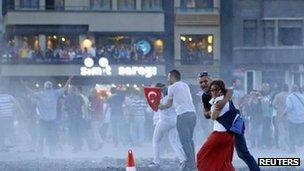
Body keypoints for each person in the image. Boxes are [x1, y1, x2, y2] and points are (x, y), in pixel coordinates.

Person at [198, 72, 260, 171]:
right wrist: (211, 111)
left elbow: (230, 91)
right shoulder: (205, 96)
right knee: (222, 156)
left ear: (211, 80)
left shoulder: (220, 89)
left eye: (205, 81)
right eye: (201, 82)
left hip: (233, 126)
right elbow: (206, 114)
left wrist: (223, 101)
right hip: (222, 129)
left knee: (242, 153)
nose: (203, 84)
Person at [21, 76, 73, 155]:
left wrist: (24, 86)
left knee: (42, 136)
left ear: (45, 87)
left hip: (43, 120)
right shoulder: (55, 93)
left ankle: (41, 152)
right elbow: (64, 88)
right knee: (51, 136)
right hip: (51, 120)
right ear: (51, 87)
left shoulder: (41, 94)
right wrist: (69, 79)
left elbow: (31, 92)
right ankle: (51, 152)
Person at [159, 70, 196, 171]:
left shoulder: (172, 87)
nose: (167, 79)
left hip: (182, 115)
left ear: (172, 77)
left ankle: (191, 165)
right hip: (193, 114)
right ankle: (193, 163)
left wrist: (161, 106)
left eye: (168, 77)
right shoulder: (185, 85)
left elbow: (169, 104)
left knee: (185, 141)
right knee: (190, 140)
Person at [197, 79, 234, 171]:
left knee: (201, 155)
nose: (213, 92)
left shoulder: (218, 101)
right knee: (224, 160)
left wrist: (209, 111)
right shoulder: (226, 100)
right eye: (212, 90)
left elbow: (213, 117)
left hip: (219, 134)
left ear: (220, 90)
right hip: (229, 134)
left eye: (215, 90)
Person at [149, 83, 186, 169]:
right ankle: (183, 160)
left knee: (156, 140)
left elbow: (154, 108)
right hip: (175, 121)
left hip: (164, 121)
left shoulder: (160, 99)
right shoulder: (172, 98)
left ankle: (156, 162)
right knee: (174, 142)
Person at [0, 87, 23, 152]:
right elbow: (17, 104)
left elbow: (16, 104)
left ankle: (3, 145)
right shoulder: (10, 97)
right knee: (10, 130)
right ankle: (10, 145)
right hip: (9, 116)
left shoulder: (9, 97)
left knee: (2, 131)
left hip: (2, 117)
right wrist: (19, 111)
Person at [283, 84, 304, 153]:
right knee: (301, 134)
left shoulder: (289, 97)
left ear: (291, 89)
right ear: (298, 89)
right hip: (302, 119)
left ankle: (292, 150)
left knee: (291, 135)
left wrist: (284, 113)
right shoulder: (302, 96)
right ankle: (301, 148)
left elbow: (289, 107)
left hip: (292, 119)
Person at [64, 86, 85, 152]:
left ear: (70, 91)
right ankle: (80, 146)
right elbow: (83, 106)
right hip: (79, 117)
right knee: (79, 132)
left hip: (71, 118)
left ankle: (75, 147)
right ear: (75, 90)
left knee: (73, 132)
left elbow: (65, 108)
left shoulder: (67, 98)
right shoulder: (80, 97)